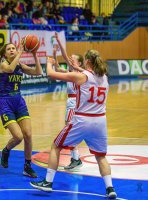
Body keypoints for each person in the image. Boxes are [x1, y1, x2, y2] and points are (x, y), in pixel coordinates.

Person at [30, 50, 117, 199]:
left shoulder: (80, 77)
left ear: (87, 62)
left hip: (83, 120)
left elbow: (51, 74)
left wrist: (49, 64)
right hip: (100, 121)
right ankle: (110, 188)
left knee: (56, 146)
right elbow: (88, 73)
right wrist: (76, 66)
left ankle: (48, 182)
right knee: (101, 157)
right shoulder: (104, 78)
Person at [0, 41, 42, 178]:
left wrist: (35, 55)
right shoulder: (3, 64)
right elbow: (10, 69)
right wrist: (21, 52)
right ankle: (6, 150)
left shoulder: (20, 66)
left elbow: (38, 72)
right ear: (5, 53)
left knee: (28, 135)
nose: (12, 50)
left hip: (19, 102)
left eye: (13, 48)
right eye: (9, 49)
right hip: (6, 103)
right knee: (18, 137)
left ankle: (27, 166)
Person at [53, 32, 84, 171]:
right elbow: (57, 68)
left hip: (74, 103)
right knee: (71, 130)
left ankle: (76, 158)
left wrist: (59, 42)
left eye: (73, 59)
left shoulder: (77, 72)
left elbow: (64, 57)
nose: (70, 60)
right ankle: (75, 157)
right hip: (71, 103)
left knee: (70, 130)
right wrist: (54, 56)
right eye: (70, 59)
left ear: (80, 63)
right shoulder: (71, 71)